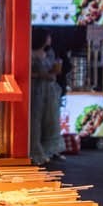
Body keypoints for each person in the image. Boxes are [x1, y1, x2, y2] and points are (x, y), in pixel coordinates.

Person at [29, 30, 62, 165]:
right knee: (34, 120)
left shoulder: (50, 52)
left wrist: (54, 71)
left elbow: (54, 71)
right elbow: (27, 73)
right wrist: (42, 76)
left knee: (50, 120)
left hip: (48, 91)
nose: (50, 39)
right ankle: (35, 152)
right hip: (35, 89)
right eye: (48, 37)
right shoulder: (29, 53)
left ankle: (49, 150)